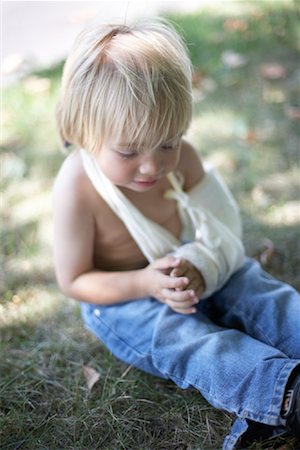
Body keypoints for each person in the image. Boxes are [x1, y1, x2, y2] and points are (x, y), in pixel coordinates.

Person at [53, 18, 300, 449]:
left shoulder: (184, 158)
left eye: (168, 142)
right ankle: (284, 396)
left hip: (197, 263)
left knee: (258, 292)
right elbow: (74, 280)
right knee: (184, 339)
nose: (153, 166)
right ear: (83, 130)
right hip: (122, 297)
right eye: (128, 151)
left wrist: (203, 266)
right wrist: (145, 282)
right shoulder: (77, 186)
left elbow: (223, 230)